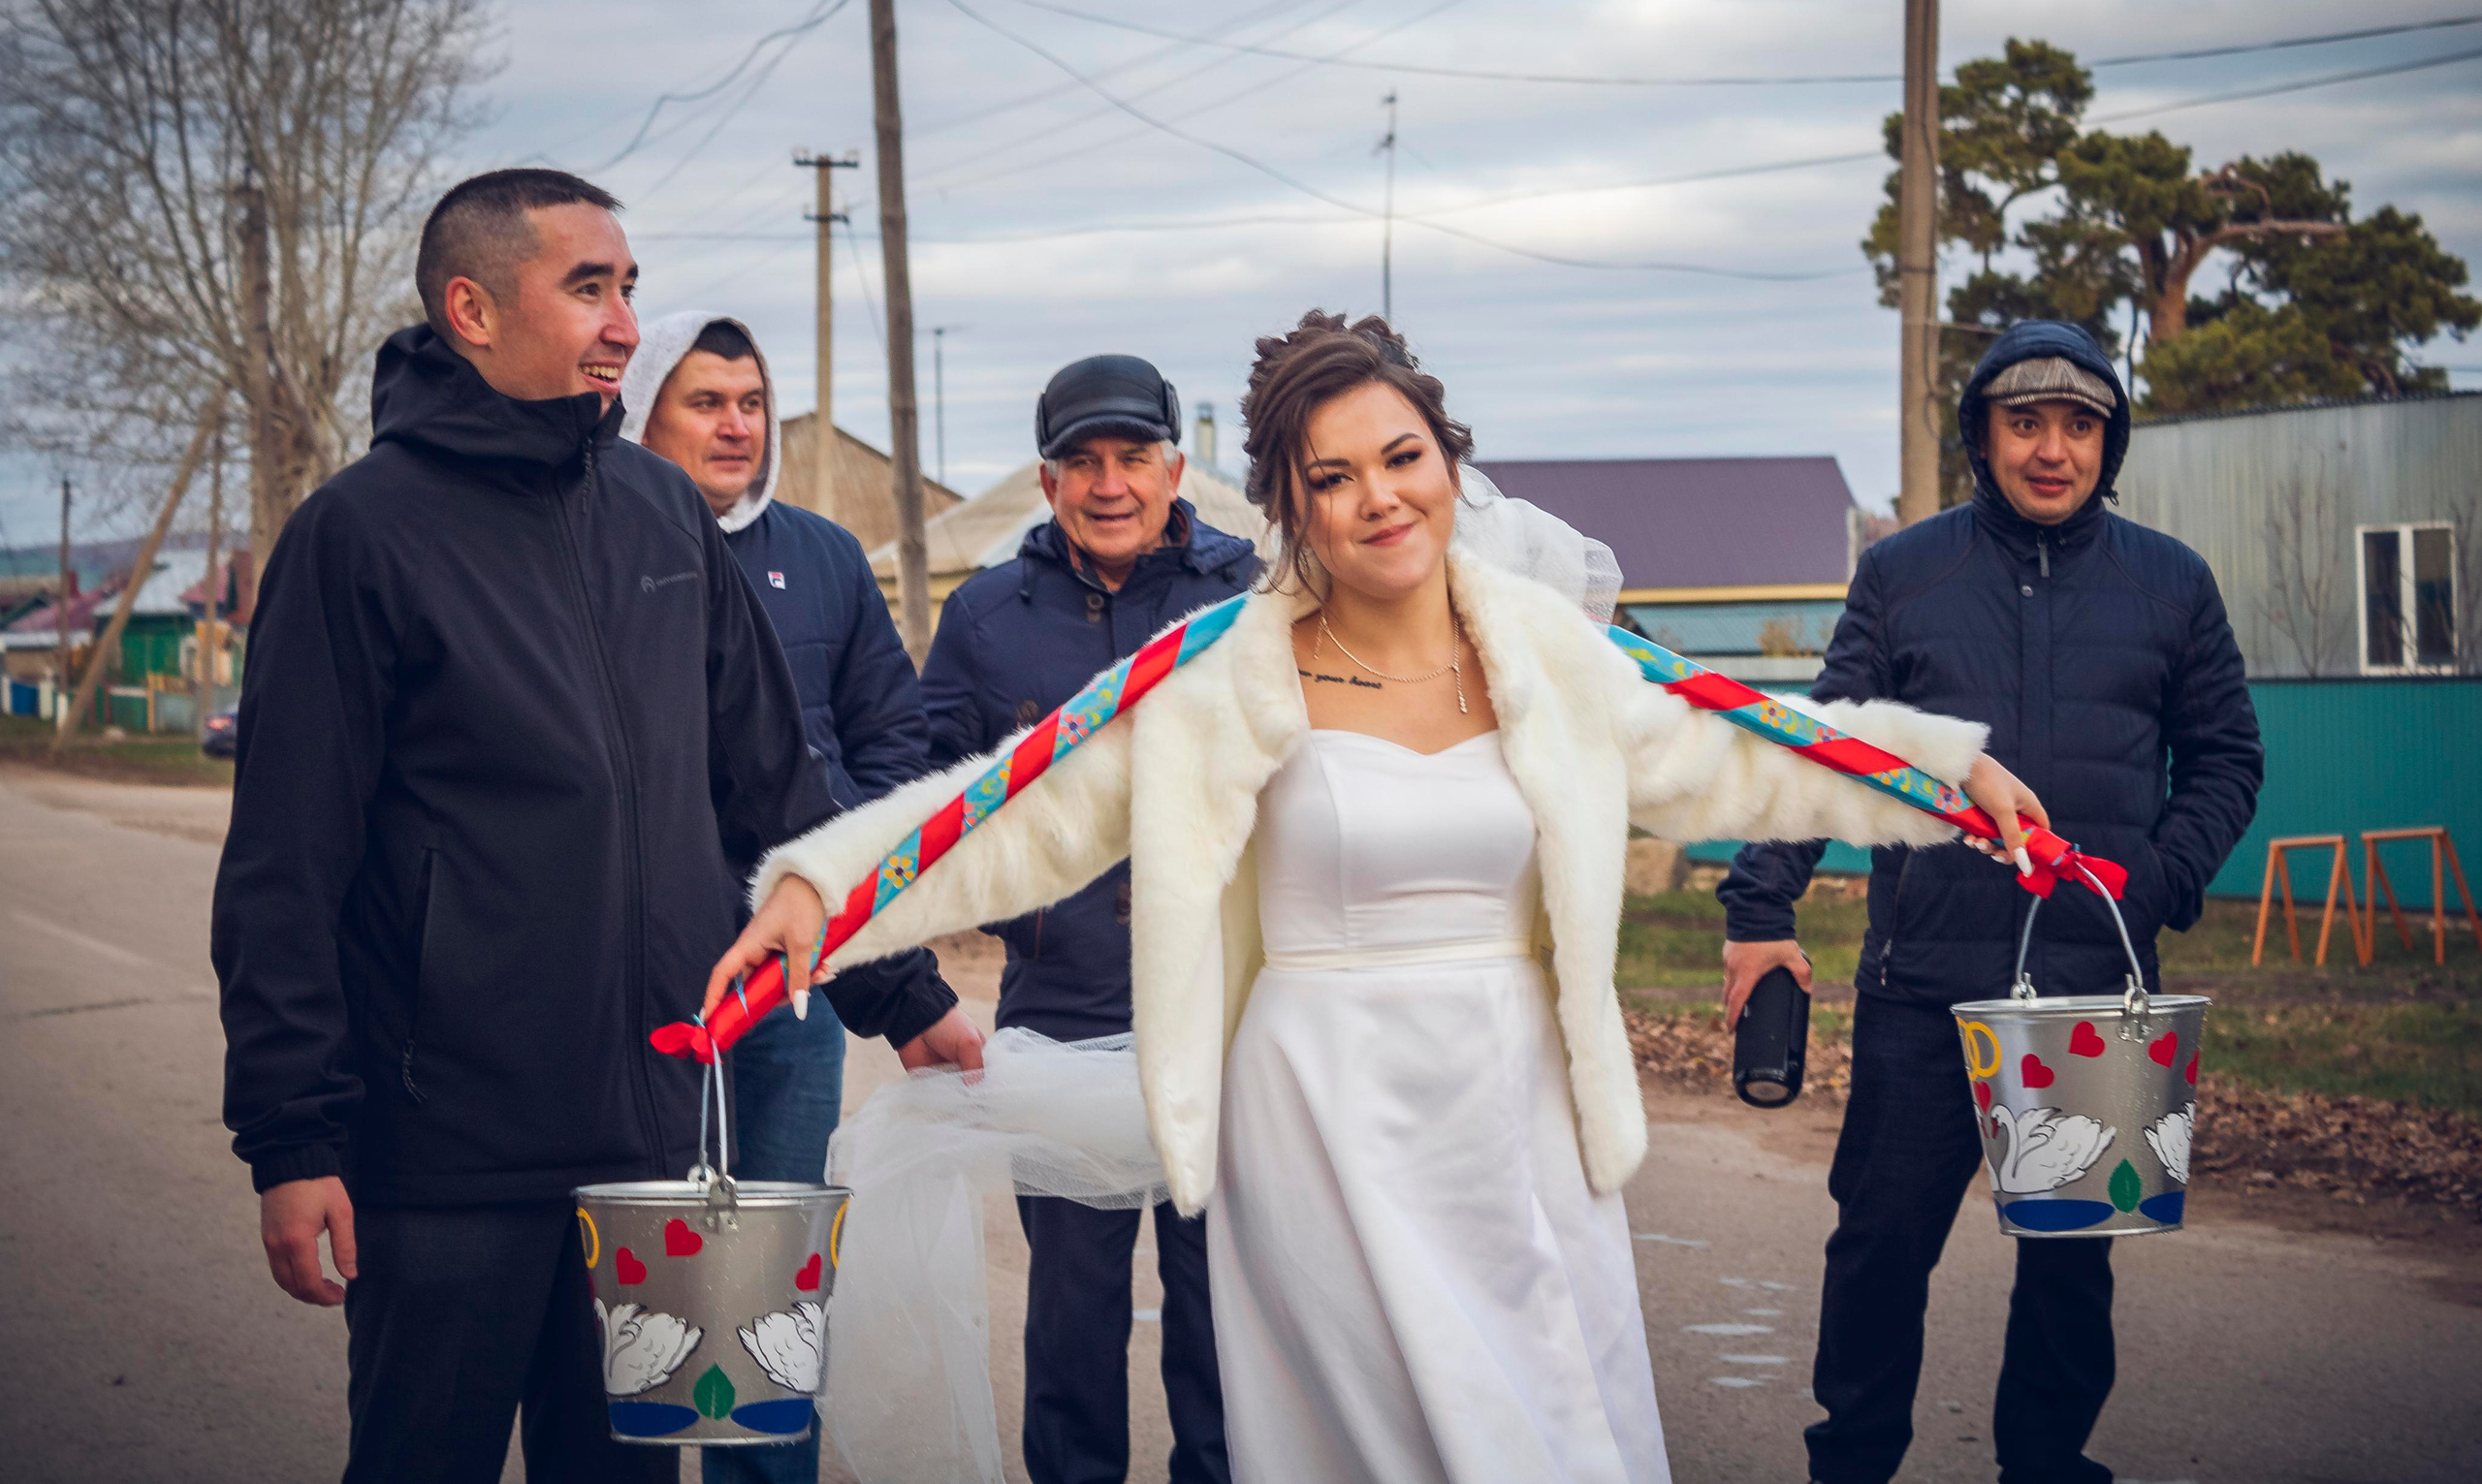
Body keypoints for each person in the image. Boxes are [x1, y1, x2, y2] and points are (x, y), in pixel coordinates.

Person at [707, 310, 2051, 1484]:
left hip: (1518, 1109)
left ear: (1451, 465)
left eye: (1403, 458)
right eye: (1333, 476)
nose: (1379, 498)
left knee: (1543, 1421)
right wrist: (819, 897)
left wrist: (1948, 775)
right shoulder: (1222, 668)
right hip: (1316, 1115)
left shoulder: (1546, 656)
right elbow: (1012, 816)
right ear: (1289, 504)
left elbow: (1740, 746)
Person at [211, 170, 969, 1484]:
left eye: (627, 286)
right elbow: (286, 862)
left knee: (628, 1468)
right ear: (473, 308)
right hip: (444, 1153)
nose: (626, 320)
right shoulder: (359, 536)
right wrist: (292, 1137)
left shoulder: (658, 511)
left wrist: (902, 991)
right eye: (589, 286)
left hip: (654, 1145)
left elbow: (772, 793)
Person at [1718, 319, 2264, 1484]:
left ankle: (2046, 1464)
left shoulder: (2171, 582)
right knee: (1877, 1250)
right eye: (2025, 423)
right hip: (1924, 989)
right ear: (1983, 434)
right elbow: (1832, 751)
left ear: (2108, 444)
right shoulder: (1905, 572)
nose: (2052, 449)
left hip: (2089, 988)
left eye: (2078, 425)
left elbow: (2225, 759)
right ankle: (1851, 1463)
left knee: (2070, 1266)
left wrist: (2157, 884)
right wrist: (1759, 911)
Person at [620, 308, 984, 1484]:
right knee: (639, 1307)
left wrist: (852, 878)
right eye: (705, 401)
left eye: (751, 402)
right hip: (638, 992)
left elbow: (894, 739)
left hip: (797, 992)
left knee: (764, 1301)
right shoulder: (600, 546)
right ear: (645, 416)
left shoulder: (823, 555)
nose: (735, 425)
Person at [915, 353, 1257, 1484]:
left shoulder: (1253, 599)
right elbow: (919, 799)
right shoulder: (982, 619)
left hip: (1231, 1017)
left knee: (1228, 1332)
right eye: (1081, 463)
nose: (1108, 485)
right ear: (1047, 479)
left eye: (1132, 459)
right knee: (1070, 1331)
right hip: (1061, 1016)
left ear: (1174, 467)